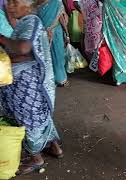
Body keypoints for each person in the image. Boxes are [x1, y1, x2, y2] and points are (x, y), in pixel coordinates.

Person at [0, 0, 63, 175]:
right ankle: (54, 147)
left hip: (28, 86)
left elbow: (23, 48)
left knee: (28, 121)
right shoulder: (24, 22)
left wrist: (1, 38)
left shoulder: (32, 21)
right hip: (31, 84)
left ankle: (36, 159)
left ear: (28, 5)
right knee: (41, 117)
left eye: (15, 2)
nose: (10, 6)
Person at [102, 0, 126, 86]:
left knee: (118, 51)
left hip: (115, 31)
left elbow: (105, 13)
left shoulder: (109, 1)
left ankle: (119, 78)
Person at [37, 0, 70, 87]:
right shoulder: (56, 2)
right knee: (58, 56)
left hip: (42, 34)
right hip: (55, 33)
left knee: (47, 57)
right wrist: (67, 34)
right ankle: (61, 79)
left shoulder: (36, 3)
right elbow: (62, 19)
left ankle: (49, 79)